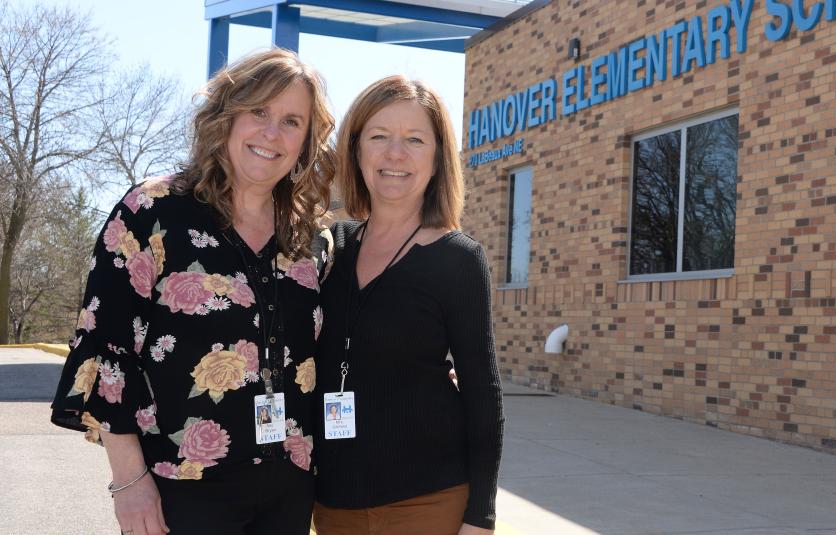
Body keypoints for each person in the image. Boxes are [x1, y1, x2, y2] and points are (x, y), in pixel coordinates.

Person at [50, 48, 335, 535]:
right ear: (226, 114)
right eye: (259, 111)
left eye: (292, 121)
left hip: (289, 489)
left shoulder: (310, 238)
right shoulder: (152, 212)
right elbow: (107, 347)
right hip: (179, 489)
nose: (272, 133)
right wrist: (129, 482)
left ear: (307, 141)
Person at [313, 75, 504, 535]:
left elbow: (482, 391)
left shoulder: (458, 258)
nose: (394, 154)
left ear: (438, 158)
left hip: (429, 498)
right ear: (355, 151)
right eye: (378, 137)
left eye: (415, 139)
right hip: (333, 502)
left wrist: (481, 515)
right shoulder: (328, 248)